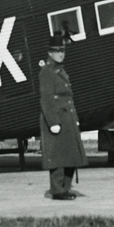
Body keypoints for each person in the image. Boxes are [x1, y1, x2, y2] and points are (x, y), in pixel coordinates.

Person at [39, 31, 85, 200]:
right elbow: (46, 98)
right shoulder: (47, 72)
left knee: (70, 156)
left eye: (62, 51)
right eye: (57, 51)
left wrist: (75, 119)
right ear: (50, 53)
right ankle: (57, 190)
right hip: (58, 118)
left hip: (68, 117)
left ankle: (65, 187)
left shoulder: (60, 70)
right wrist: (52, 122)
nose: (60, 54)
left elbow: (67, 97)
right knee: (58, 157)